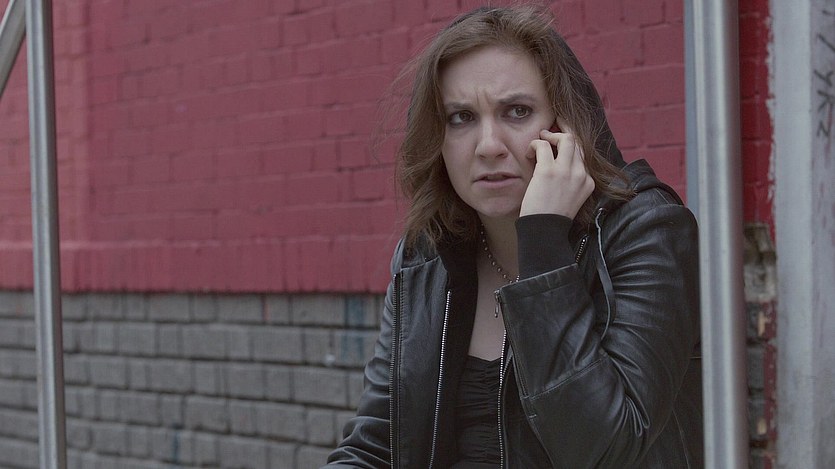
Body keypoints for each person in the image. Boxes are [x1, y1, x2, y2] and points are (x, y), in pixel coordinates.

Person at [325, 5, 702, 468]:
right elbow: (376, 447)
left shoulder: (645, 233)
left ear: (568, 125)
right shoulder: (428, 254)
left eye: (517, 112)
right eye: (461, 117)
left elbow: (606, 448)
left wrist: (543, 242)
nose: (488, 146)